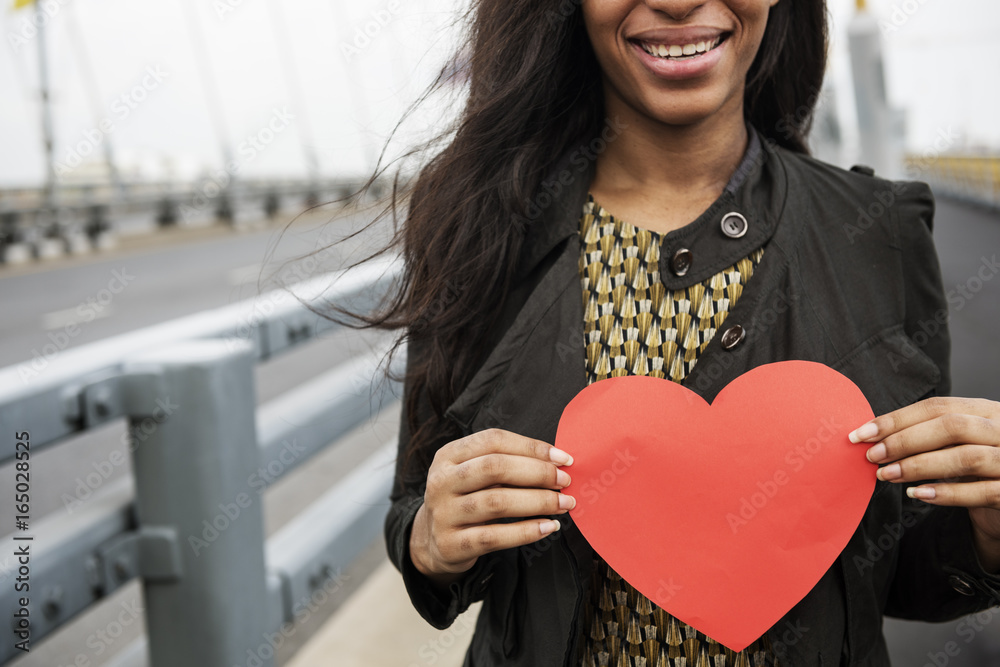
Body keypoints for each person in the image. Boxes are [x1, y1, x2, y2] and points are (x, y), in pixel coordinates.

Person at [366, 0, 1000, 665]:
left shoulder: (881, 235)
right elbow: (415, 508)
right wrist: (431, 543)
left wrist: (988, 534)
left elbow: (902, 561)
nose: (675, 1)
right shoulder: (478, 230)